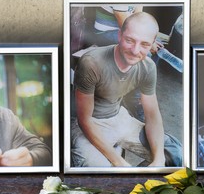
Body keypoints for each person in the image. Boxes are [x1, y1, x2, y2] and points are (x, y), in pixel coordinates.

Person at [71, 12, 182, 167]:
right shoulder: (92, 63)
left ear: (152, 44)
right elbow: (85, 120)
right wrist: (120, 163)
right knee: (99, 173)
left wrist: (158, 160)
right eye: (130, 40)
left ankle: (140, 185)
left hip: (119, 118)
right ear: (119, 35)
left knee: (174, 152)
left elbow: (152, 115)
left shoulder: (148, 67)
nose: (135, 50)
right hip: (91, 124)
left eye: (144, 44)